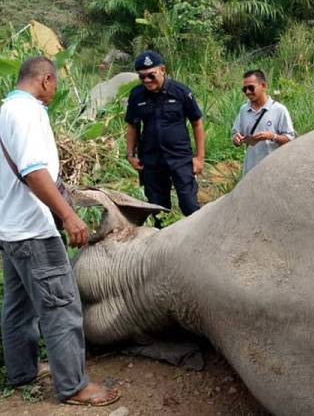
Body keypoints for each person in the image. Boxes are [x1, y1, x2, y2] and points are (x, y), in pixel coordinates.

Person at [0, 56, 120, 406]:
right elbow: (34, 171)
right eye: (54, 86)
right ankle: (73, 387)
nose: (54, 92)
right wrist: (68, 215)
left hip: (10, 229)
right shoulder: (27, 114)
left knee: (18, 305)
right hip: (34, 231)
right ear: (46, 80)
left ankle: (21, 371)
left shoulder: (5, 110)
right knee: (61, 307)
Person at [125, 50, 204, 224]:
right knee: (158, 210)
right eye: (142, 77)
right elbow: (132, 125)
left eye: (151, 76)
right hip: (151, 161)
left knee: (190, 206)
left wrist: (199, 158)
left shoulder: (180, 92)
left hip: (180, 158)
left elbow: (197, 122)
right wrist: (130, 155)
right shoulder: (137, 95)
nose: (146, 80)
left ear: (162, 70)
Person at [232, 70, 295, 175]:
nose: (247, 92)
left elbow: (290, 139)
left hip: (273, 171)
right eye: (244, 89)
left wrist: (271, 136)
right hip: (250, 170)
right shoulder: (243, 110)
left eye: (251, 88)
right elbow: (235, 134)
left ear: (263, 86)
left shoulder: (279, 110)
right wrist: (236, 139)